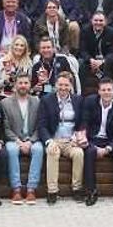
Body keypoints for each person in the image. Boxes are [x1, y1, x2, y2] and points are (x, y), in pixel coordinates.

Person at [37, 72, 85, 204]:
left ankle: (77, 189)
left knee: (79, 153)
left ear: (71, 86)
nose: (63, 88)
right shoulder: (46, 100)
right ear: (55, 85)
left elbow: (82, 122)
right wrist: (48, 141)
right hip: (55, 139)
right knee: (52, 152)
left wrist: (78, 135)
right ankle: (52, 191)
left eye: (66, 85)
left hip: (71, 140)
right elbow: (42, 125)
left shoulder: (78, 100)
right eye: (60, 84)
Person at [78, 78, 113, 206]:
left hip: (110, 140)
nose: (106, 92)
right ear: (99, 91)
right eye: (103, 90)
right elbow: (84, 123)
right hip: (93, 139)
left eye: (109, 90)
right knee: (90, 152)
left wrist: (109, 148)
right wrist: (88, 142)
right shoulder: (90, 102)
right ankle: (91, 191)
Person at [1, 73, 43, 205]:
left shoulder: (37, 101)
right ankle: (16, 189)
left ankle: (31, 189)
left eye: (26, 83)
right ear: (15, 85)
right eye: (20, 83)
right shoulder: (5, 103)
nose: (23, 86)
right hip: (14, 140)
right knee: (12, 151)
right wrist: (18, 142)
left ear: (30, 85)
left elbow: (40, 125)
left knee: (39, 149)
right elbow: (6, 128)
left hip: (32, 139)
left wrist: (31, 141)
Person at [79, 12, 113, 93]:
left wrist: (103, 61)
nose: (98, 23)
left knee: (112, 64)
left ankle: (110, 90)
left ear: (105, 22)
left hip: (105, 60)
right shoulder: (85, 30)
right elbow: (83, 50)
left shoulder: (112, 32)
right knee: (81, 64)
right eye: (96, 20)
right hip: (90, 60)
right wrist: (90, 60)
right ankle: (81, 91)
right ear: (91, 21)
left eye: (101, 21)